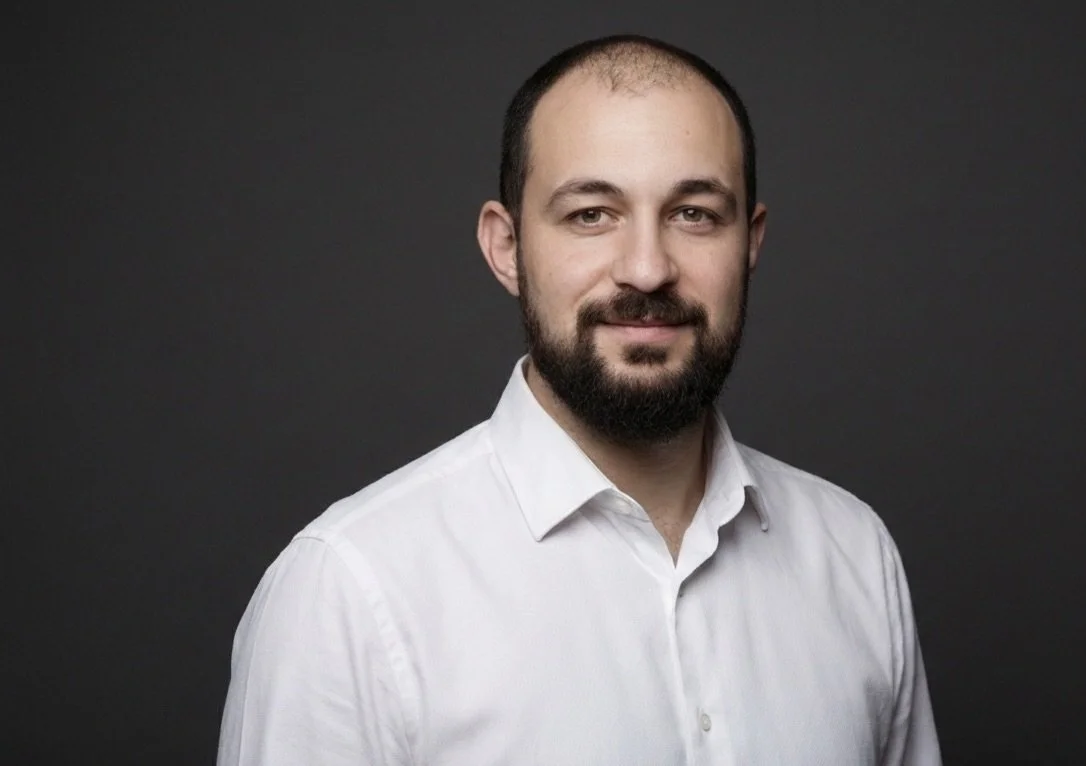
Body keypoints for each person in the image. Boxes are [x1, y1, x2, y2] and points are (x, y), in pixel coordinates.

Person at [217, 33, 941, 765]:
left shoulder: (854, 554)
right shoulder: (348, 593)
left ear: (749, 243)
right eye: (591, 214)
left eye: (694, 213)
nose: (647, 269)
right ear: (507, 248)